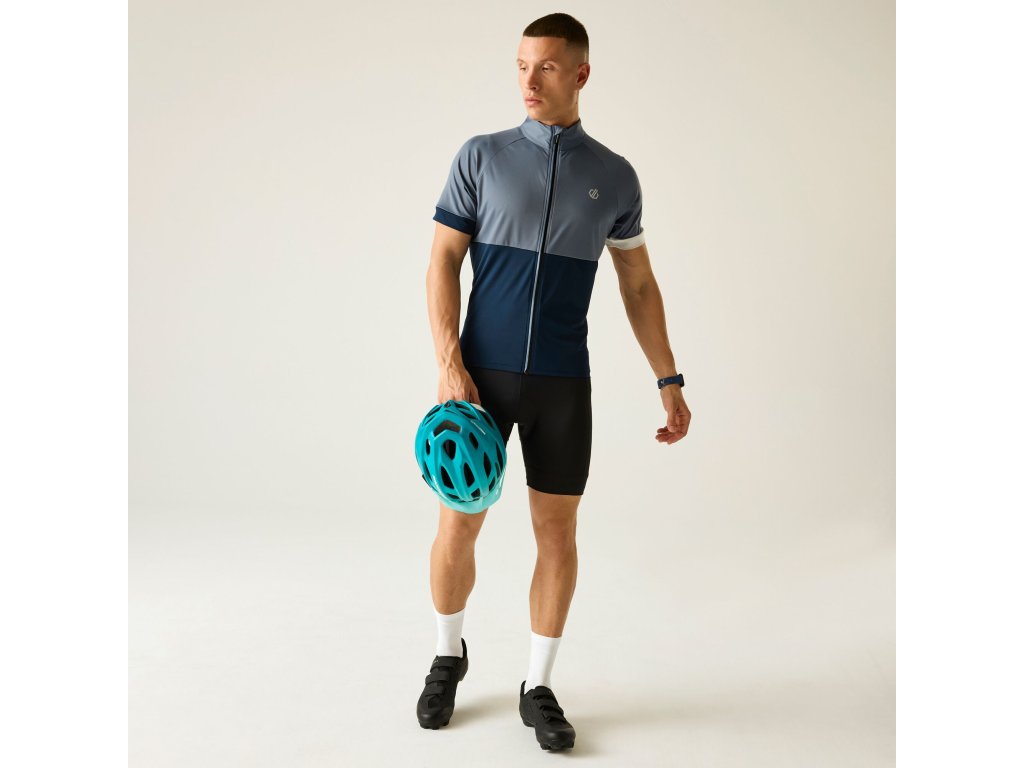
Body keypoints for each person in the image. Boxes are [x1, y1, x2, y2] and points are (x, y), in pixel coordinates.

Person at [418, 12, 691, 751]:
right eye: (520, 65)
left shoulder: (614, 176)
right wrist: (449, 363)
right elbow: (442, 260)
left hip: (564, 383)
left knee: (557, 534)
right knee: (458, 524)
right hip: (481, 380)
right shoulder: (482, 156)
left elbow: (638, 284)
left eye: (544, 66)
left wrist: (668, 377)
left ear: (580, 73)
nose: (528, 81)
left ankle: (537, 685)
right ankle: (447, 655)